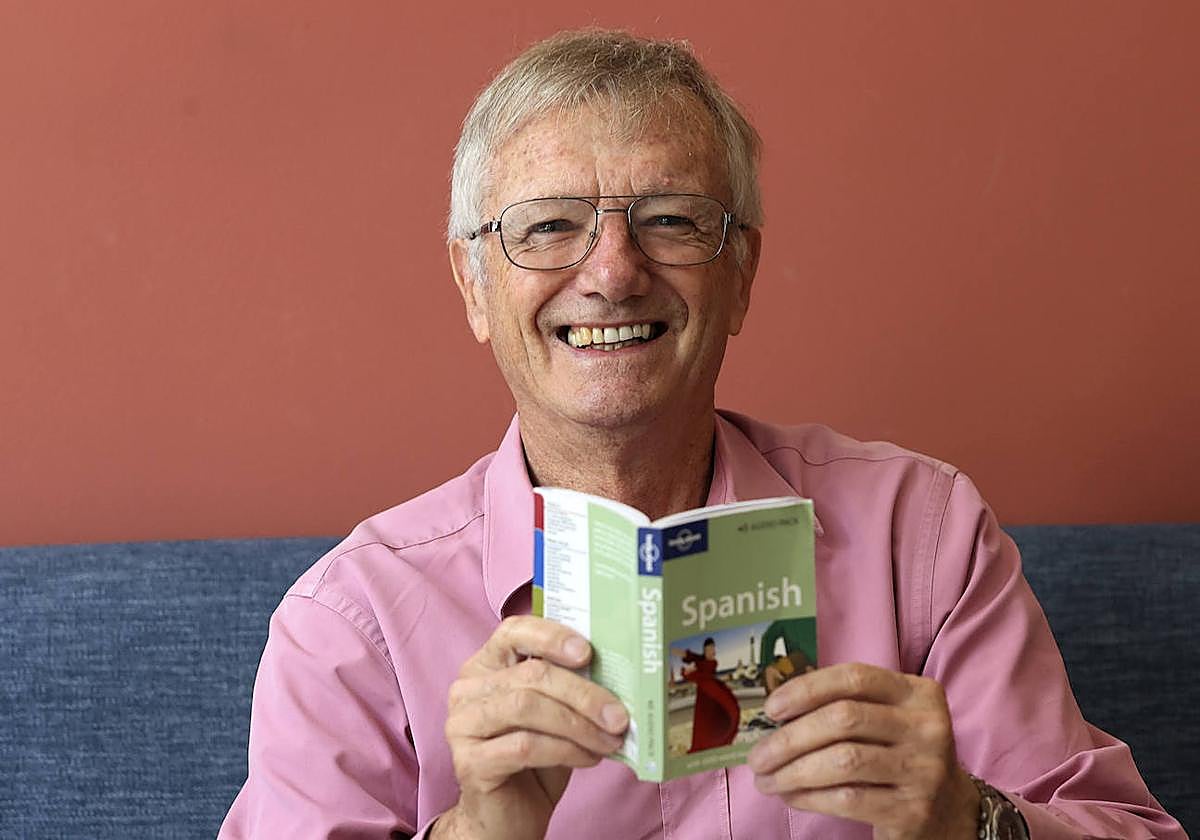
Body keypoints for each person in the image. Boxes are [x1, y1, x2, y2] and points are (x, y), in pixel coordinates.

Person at [218, 29, 1185, 840]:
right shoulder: (352, 623)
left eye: (671, 220)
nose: (613, 272)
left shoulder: (922, 535)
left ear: (743, 275)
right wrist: (477, 830)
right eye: (547, 226)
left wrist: (968, 821)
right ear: (474, 285)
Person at [672, 639, 741, 752]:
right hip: (704, 693)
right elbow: (686, 654)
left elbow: (708, 677)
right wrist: (670, 649)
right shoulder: (700, 659)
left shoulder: (714, 662)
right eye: (708, 649)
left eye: (712, 648)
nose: (711, 651)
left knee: (718, 716)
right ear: (704, 650)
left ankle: (717, 742)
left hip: (712, 692)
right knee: (703, 722)